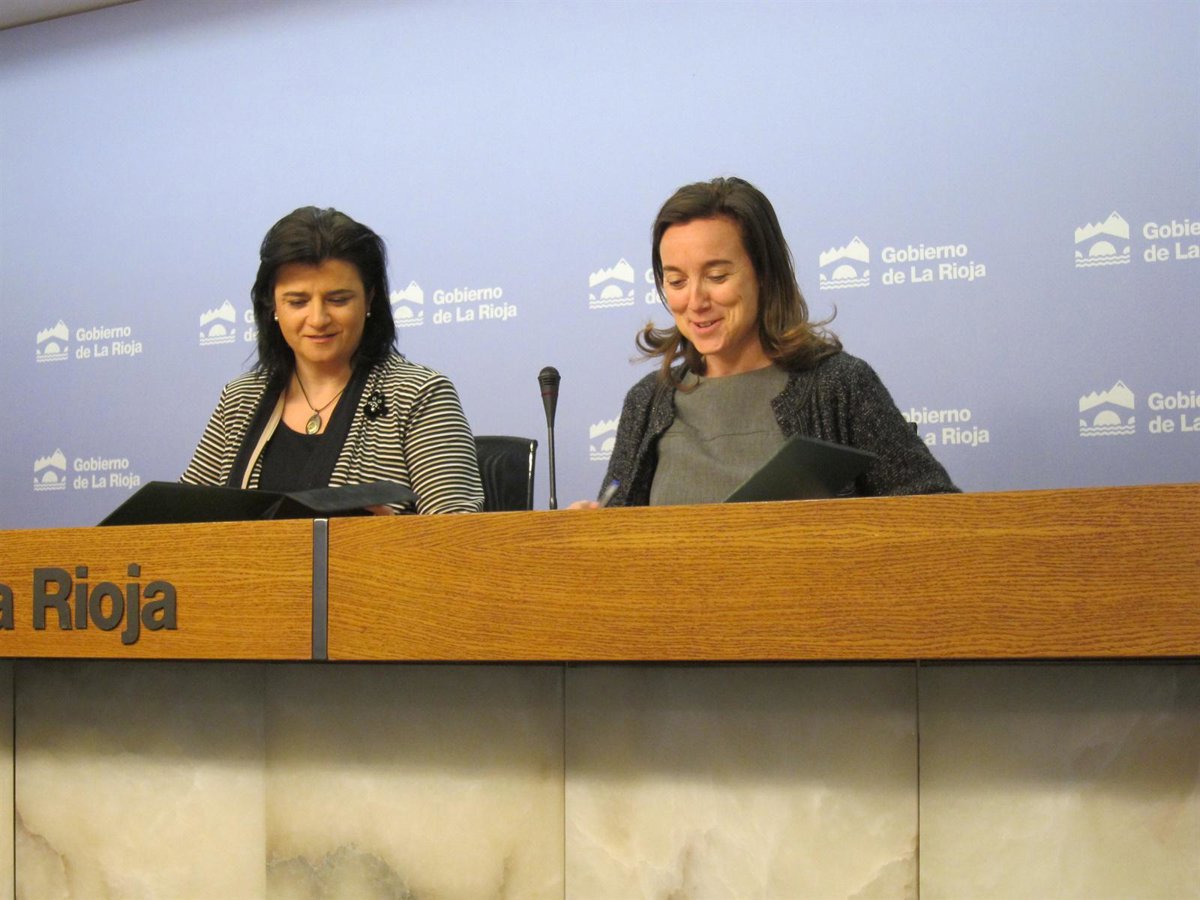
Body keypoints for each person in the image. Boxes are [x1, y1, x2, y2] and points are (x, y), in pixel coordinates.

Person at [581, 176, 958, 508]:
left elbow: (937, 514)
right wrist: (588, 533)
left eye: (717, 276)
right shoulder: (648, 402)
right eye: (677, 281)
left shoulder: (838, 387)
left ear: (763, 273)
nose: (695, 301)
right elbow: (617, 538)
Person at [183, 206, 484, 514]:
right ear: (272, 305)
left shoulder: (419, 394)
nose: (318, 319)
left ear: (369, 299)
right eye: (297, 302)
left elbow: (457, 533)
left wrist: (389, 533)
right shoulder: (240, 399)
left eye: (338, 300)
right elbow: (179, 523)